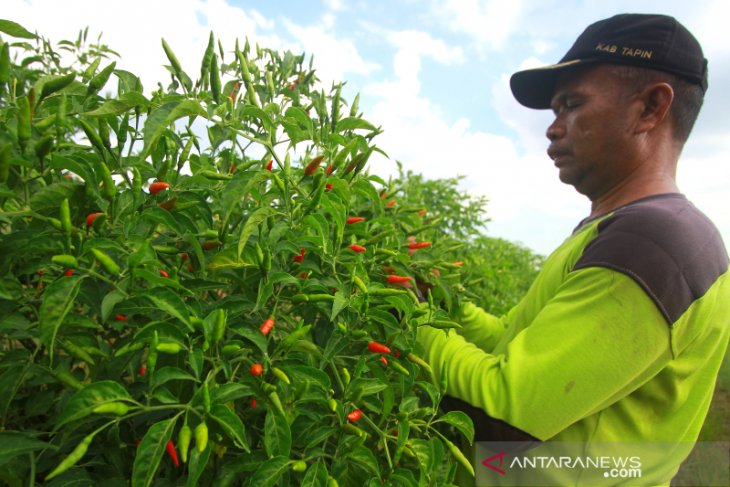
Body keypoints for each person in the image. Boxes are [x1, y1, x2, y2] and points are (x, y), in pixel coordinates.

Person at [416, 13, 730, 486]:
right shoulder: (621, 229)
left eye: (571, 104)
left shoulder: (652, 245)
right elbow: (512, 339)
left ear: (650, 108)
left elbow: (504, 421)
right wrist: (439, 301)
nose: (552, 127)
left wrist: (405, 317)